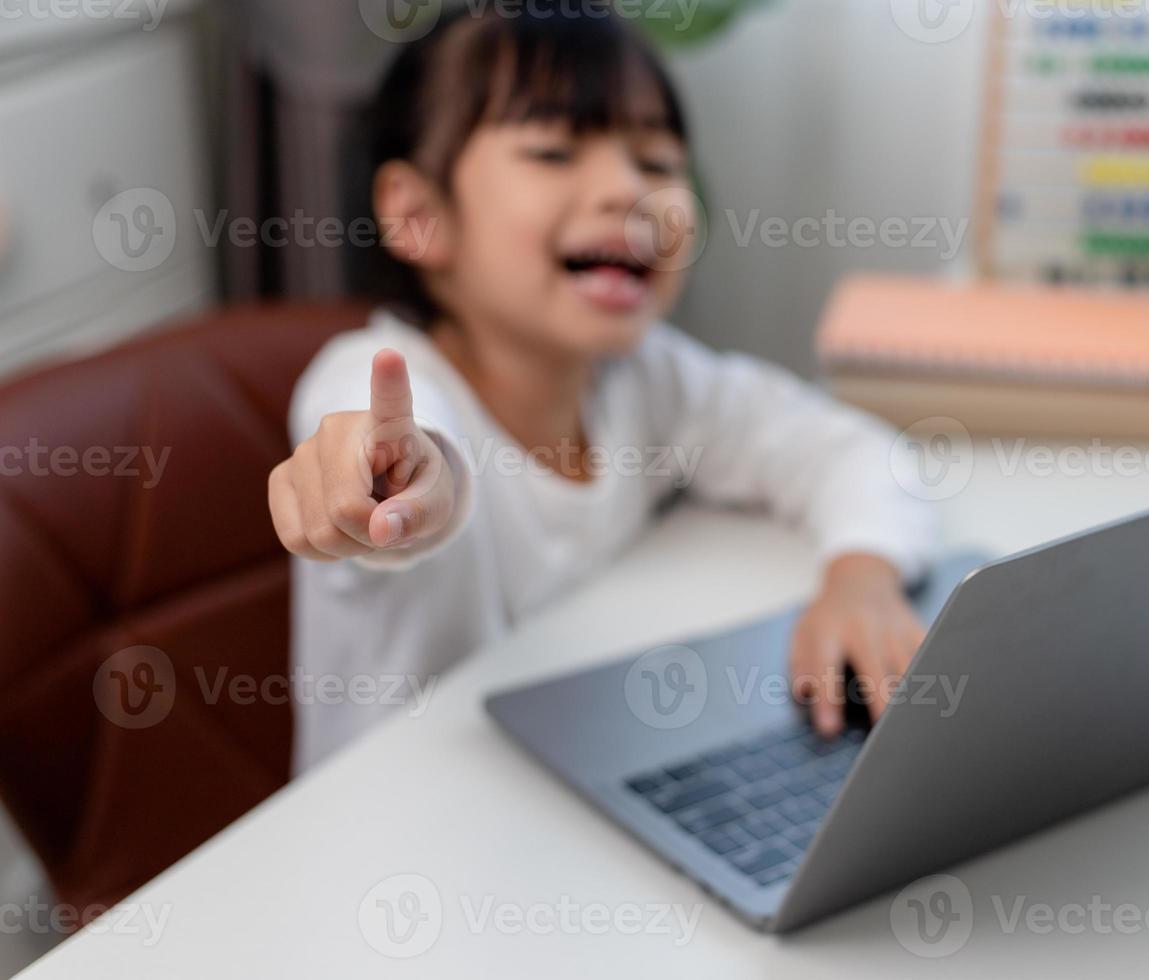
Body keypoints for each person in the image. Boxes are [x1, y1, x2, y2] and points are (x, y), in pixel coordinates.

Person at [267, 6, 939, 771]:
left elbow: (842, 449)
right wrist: (394, 484)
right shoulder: (374, 379)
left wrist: (862, 579)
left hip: (579, 770)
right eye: (553, 151)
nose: (627, 190)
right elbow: (390, 465)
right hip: (393, 838)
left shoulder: (646, 377)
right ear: (419, 215)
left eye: (656, 163)